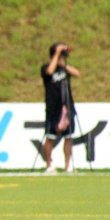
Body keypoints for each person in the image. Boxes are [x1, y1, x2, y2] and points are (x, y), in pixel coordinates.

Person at [41, 43, 80, 173]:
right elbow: (49, 72)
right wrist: (56, 55)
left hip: (67, 107)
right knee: (50, 137)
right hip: (53, 108)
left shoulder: (65, 69)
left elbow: (77, 73)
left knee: (68, 137)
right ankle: (49, 165)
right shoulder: (46, 67)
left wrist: (64, 65)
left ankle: (68, 165)